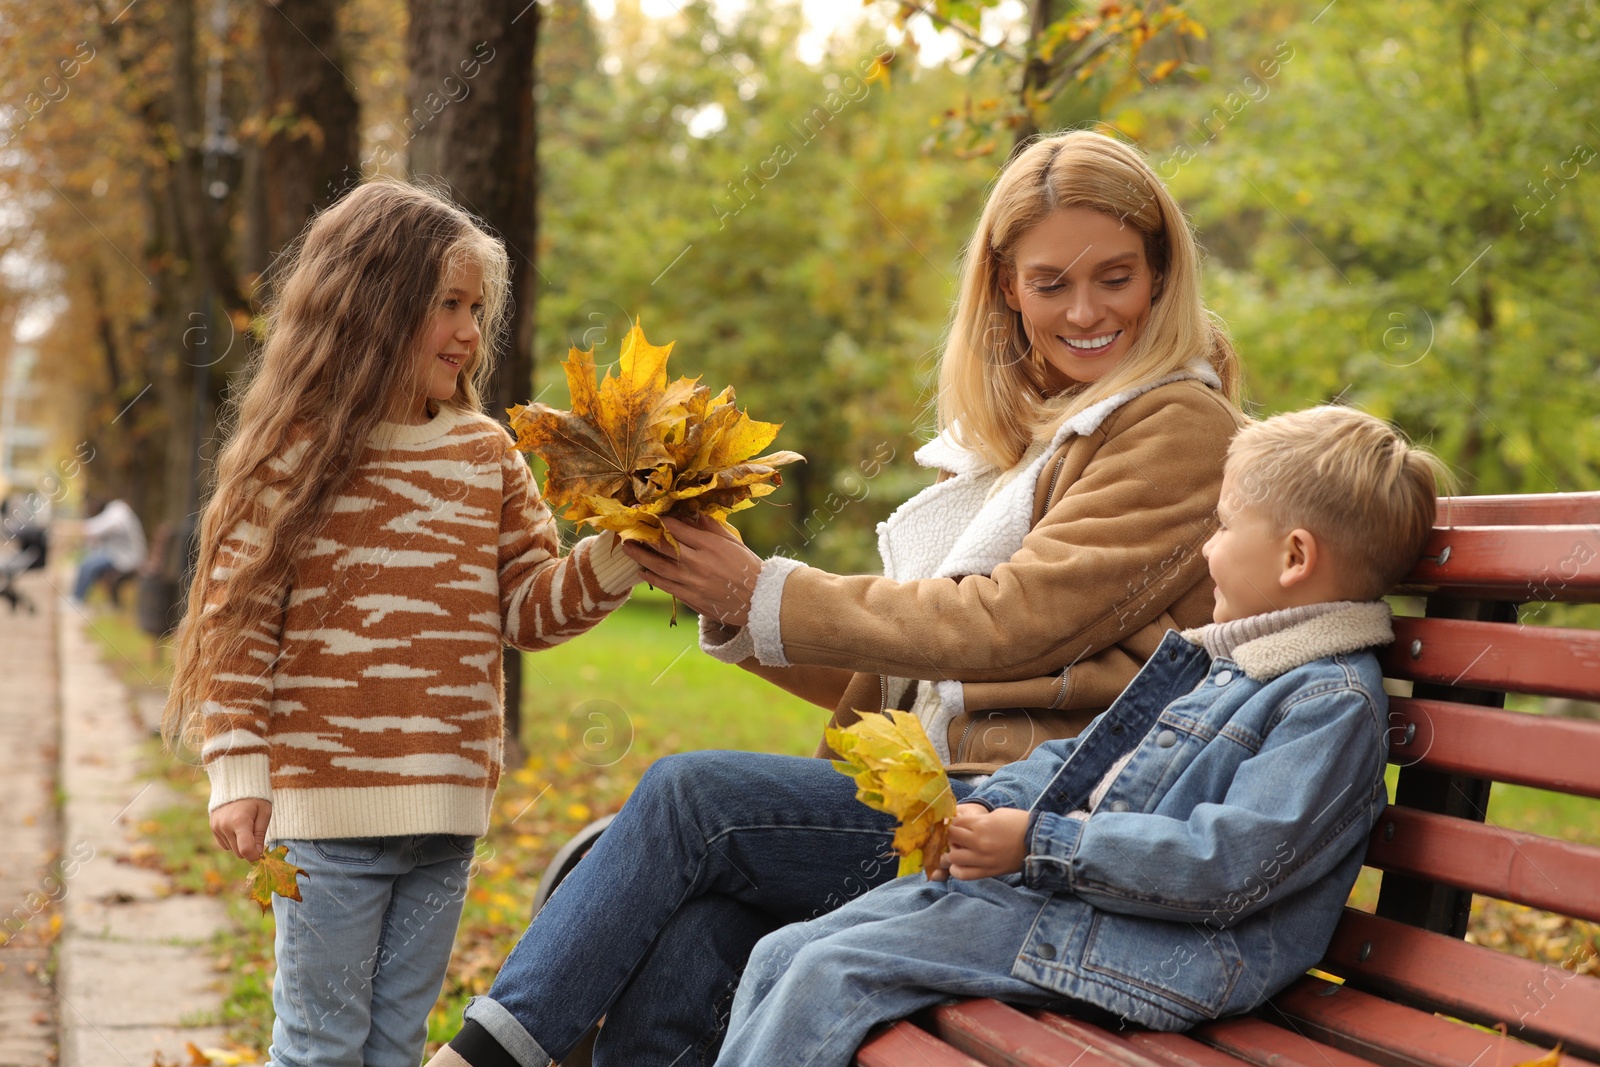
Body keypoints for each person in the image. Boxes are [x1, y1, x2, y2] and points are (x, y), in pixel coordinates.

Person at [427, 129, 1246, 1067]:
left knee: (690, 795)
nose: (1086, 309)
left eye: (1116, 277)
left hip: (1034, 826)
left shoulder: (1177, 422)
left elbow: (1010, 622)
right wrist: (737, 601)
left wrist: (772, 589)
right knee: (702, 928)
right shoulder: (1038, 439)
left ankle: (477, 1061)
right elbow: (914, 676)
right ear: (1008, 290)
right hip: (949, 796)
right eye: (1051, 282)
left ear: (1162, 275)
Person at [715, 406, 1447, 1065]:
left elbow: (1229, 863)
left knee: (827, 974)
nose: (1207, 550)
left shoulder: (1329, 702)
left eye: (1224, 527)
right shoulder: (1224, 661)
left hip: (1165, 955)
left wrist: (1040, 843)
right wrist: (988, 806)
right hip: (1081, 906)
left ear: (1294, 557)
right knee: (785, 950)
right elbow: (1083, 759)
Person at [161, 180, 640, 1067]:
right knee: (322, 1043)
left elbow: (529, 607)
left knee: (395, 1042)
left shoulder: (484, 454)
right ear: (372, 308)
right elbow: (238, 620)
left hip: (445, 816)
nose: (468, 330)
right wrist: (238, 763)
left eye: (475, 308)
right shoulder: (295, 456)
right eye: (446, 305)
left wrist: (624, 548)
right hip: (327, 812)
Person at [71, 496, 145, 603]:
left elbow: (94, 528)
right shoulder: (117, 510)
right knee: (89, 559)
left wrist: (69, 528)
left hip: (127, 559)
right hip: (121, 555)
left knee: (87, 565)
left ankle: (76, 600)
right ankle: (79, 597)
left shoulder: (117, 512)